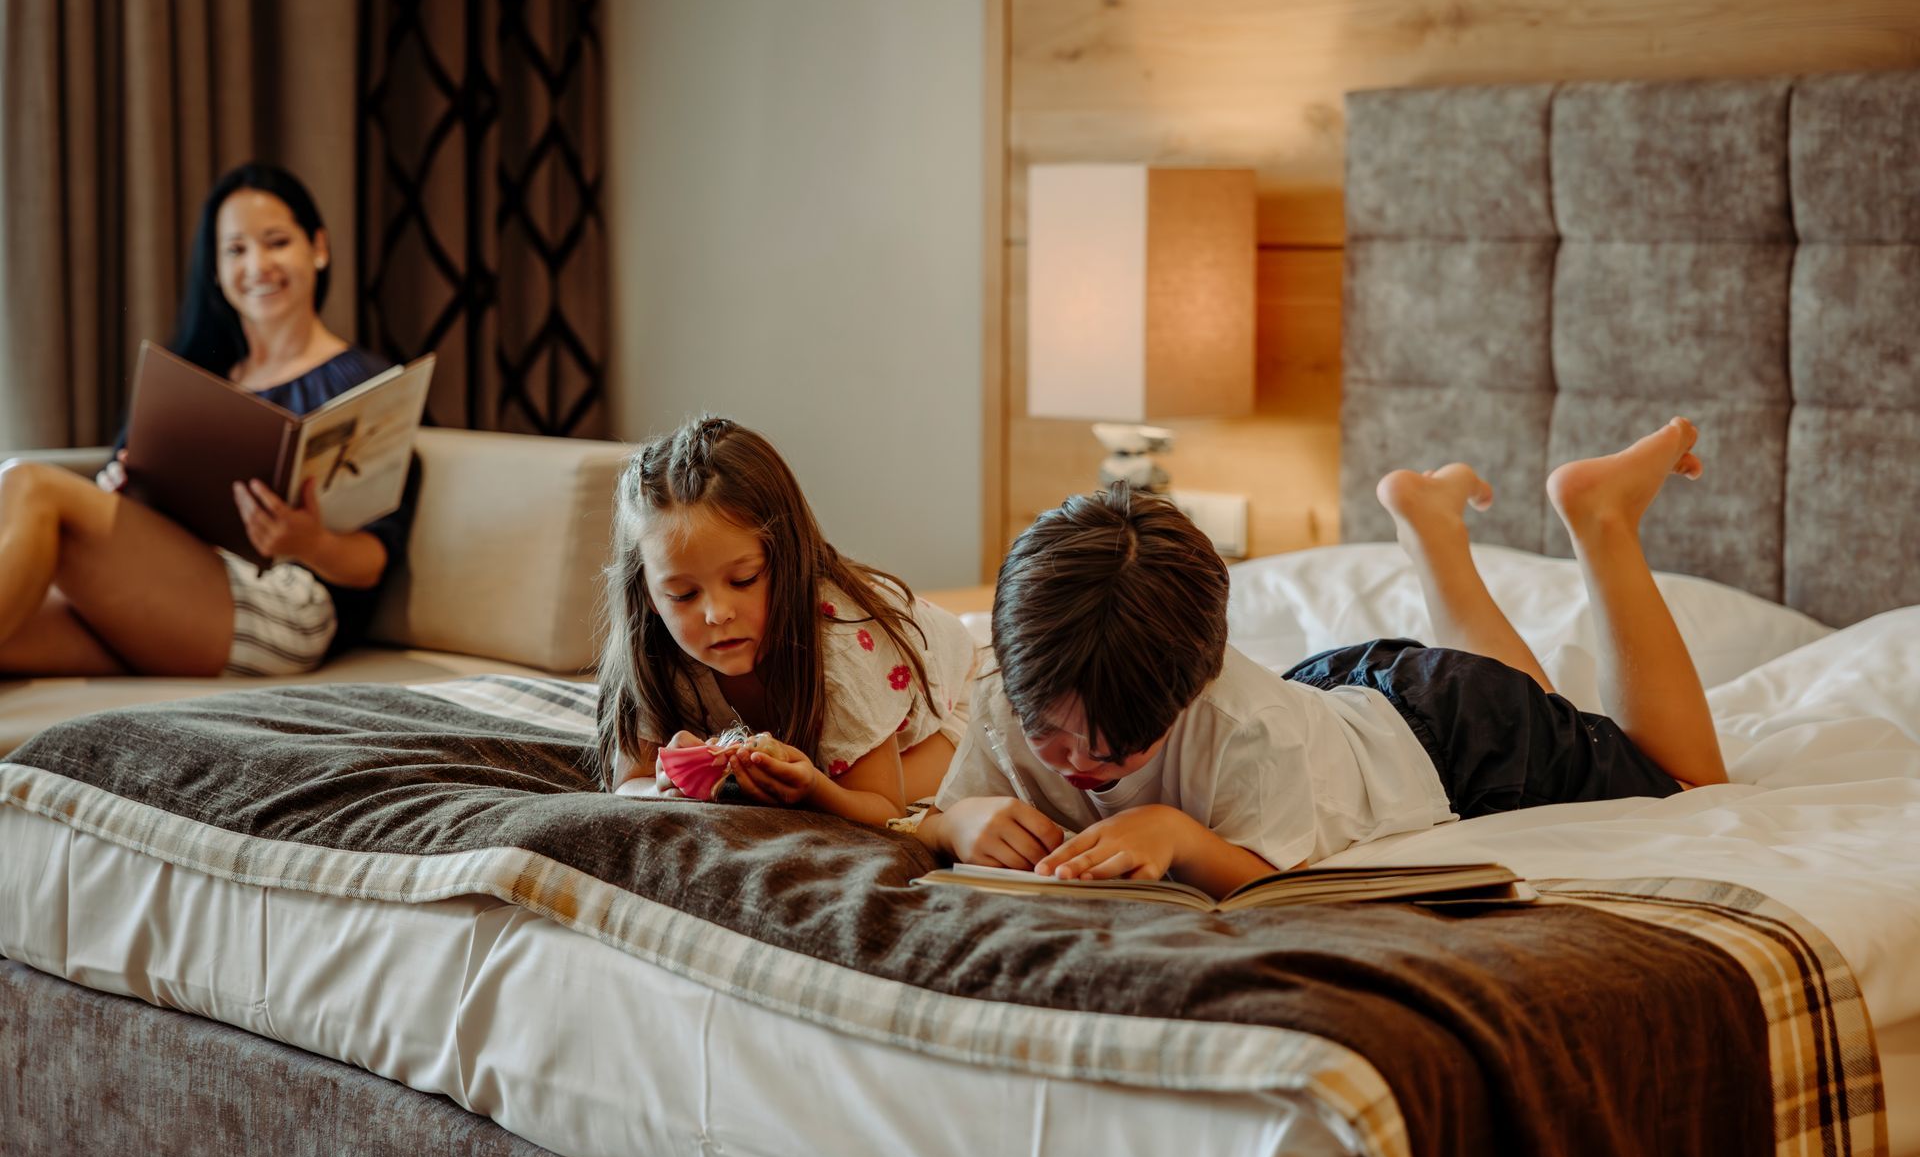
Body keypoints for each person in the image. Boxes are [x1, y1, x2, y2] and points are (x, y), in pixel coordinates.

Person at [920, 418, 1729, 900]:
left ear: (1190, 688)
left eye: (1118, 747)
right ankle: (1432, 528)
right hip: (1338, 697)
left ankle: (1603, 517)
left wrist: (1178, 834)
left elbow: (1281, 889)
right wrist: (961, 820)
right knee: (1534, 702)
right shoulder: (1014, 689)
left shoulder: (1245, 728)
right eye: (1047, 734)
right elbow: (930, 813)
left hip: (1453, 741)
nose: (1077, 763)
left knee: (1686, 784)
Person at [0, 163, 419, 678]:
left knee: (29, 482)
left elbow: (376, 559)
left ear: (318, 247)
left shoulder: (365, 385)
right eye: (236, 250)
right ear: (216, 272)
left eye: (276, 242)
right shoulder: (197, 379)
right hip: (173, 585)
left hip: (285, 607)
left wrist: (307, 543)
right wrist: (125, 490)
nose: (257, 265)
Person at [594, 415, 976, 827]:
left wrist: (814, 787)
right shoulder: (652, 649)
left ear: (788, 562)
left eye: (743, 580)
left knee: (886, 798)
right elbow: (628, 784)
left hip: (955, 694)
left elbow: (884, 808)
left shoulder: (841, 648)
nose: (716, 613)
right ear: (648, 594)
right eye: (683, 595)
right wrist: (664, 787)